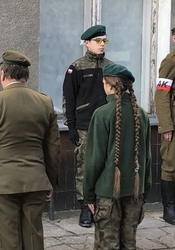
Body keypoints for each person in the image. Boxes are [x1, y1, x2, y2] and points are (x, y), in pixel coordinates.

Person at [0, 49, 60, 250]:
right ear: (26, 76)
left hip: (2, 184)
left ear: (3, 74)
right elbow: (53, 147)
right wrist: (51, 180)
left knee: (7, 240)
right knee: (33, 238)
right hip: (36, 180)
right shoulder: (45, 102)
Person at [83, 64, 151, 249]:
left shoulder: (102, 114)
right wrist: (145, 190)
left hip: (107, 193)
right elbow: (147, 158)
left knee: (107, 244)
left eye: (104, 82)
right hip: (135, 191)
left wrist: (88, 194)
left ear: (110, 85)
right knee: (129, 243)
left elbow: (94, 160)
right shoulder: (142, 115)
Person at [62, 24, 113, 228]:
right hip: (85, 125)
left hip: (107, 125)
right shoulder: (77, 67)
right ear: (87, 43)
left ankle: (103, 207)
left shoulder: (110, 66)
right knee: (85, 167)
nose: (102, 45)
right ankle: (85, 208)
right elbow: (69, 97)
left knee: (106, 165)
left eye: (104, 41)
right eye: (98, 41)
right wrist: (71, 126)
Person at [154, 27, 175, 225]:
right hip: (174, 122)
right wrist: (166, 125)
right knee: (170, 163)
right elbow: (161, 95)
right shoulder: (170, 61)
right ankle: (169, 208)